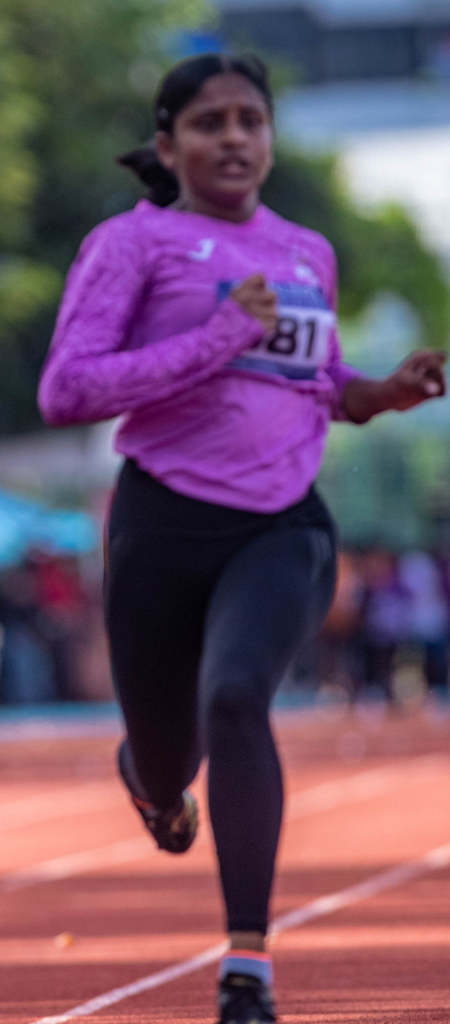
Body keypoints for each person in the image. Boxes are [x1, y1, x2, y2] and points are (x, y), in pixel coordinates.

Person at [38, 53, 445, 1024]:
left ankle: (247, 966)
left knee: (235, 697)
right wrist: (217, 336)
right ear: (170, 142)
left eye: (250, 121)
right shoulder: (131, 245)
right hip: (161, 523)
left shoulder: (306, 251)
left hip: (282, 524)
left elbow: (320, 382)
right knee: (170, 757)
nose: (234, 138)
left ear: (269, 140)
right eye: (211, 121)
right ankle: (151, 779)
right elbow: (68, 390)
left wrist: (378, 393)